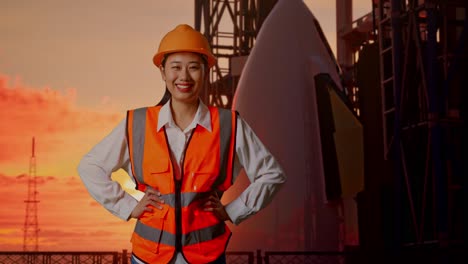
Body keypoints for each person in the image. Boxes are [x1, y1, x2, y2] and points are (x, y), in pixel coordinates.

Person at [78, 24, 286, 264]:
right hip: (148, 257)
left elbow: (272, 174)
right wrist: (128, 207)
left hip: (206, 255)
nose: (184, 76)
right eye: (175, 67)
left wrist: (233, 210)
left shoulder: (229, 125)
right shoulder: (137, 124)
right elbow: (90, 166)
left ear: (205, 71)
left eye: (194, 68)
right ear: (162, 72)